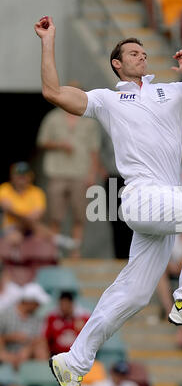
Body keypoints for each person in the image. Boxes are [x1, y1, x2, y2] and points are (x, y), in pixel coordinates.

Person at [34, 15, 182, 386]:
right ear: (117, 64)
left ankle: (72, 363)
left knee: (134, 294)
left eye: (144, 52)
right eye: (133, 52)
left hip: (163, 205)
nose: (142, 56)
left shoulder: (175, 91)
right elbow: (53, 93)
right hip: (141, 197)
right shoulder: (106, 99)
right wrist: (48, 40)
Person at [36, 81, 102, 257]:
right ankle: (54, 251)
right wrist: (59, 144)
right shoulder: (52, 118)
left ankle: (75, 252)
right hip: (57, 172)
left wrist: (92, 174)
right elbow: (42, 141)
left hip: (80, 172)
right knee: (55, 215)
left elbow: (94, 150)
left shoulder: (89, 121)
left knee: (79, 215)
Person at [0, 282, 50, 370]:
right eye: (37, 303)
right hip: (6, 353)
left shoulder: (36, 318)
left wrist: (27, 350)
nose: (39, 306)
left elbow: (39, 340)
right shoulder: (5, 314)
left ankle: (43, 378)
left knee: (40, 349)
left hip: (26, 354)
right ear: (29, 302)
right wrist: (10, 338)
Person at [0, 162, 47, 244]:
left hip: (31, 228)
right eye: (18, 175)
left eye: (24, 175)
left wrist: (19, 216)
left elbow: (37, 214)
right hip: (11, 227)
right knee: (15, 238)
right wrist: (26, 218)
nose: (21, 178)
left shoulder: (37, 192)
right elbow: (7, 209)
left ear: (30, 176)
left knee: (42, 237)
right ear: (12, 176)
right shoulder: (4, 188)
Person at [41, 290, 90, 357]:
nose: (64, 307)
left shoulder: (84, 318)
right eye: (62, 304)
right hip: (56, 355)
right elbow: (45, 338)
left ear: (71, 304)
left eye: (66, 304)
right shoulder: (52, 318)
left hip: (77, 356)